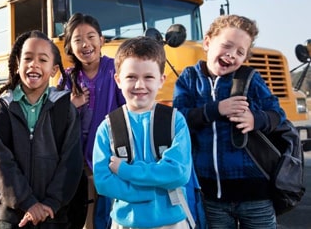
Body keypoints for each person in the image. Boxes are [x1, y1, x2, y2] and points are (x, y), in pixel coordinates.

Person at [173, 14, 286, 229]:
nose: (232, 55)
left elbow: (276, 113)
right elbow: (179, 119)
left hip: (255, 193)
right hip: (209, 194)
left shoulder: (250, 78)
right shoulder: (189, 78)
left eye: (240, 52)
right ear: (207, 42)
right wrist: (216, 110)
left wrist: (255, 119)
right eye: (227, 46)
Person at [0, 30, 83, 229]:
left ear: (54, 69)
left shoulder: (65, 110)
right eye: (28, 58)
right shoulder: (0, 112)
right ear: (17, 65)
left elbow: (71, 161)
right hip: (15, 217)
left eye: (42, 59)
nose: (34, 64)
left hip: (54, 215)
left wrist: (52, 202)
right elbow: (1, 164)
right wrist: (28, 203)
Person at [92, 36, 193, 229]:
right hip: (125, 223)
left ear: (161, 80)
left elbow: (178, 173)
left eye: (148, 77)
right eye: (131, 77)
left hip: (171, 222)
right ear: (118, 80)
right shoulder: (108, 127)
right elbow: (103, 181)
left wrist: (125, 170)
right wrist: (149, 194)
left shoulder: (175, 121)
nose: (140, 85)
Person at [60, 13, 125, 229]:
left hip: (111, 159)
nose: (85, 44)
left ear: (102, 40)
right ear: (69, 45)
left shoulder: (115, 70)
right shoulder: (67, 78)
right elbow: (55, 122)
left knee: (109, 216)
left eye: (91, 37)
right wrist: (70, 105)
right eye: (78, 40)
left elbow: (129, 107)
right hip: (78, 164)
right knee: (86, 217)